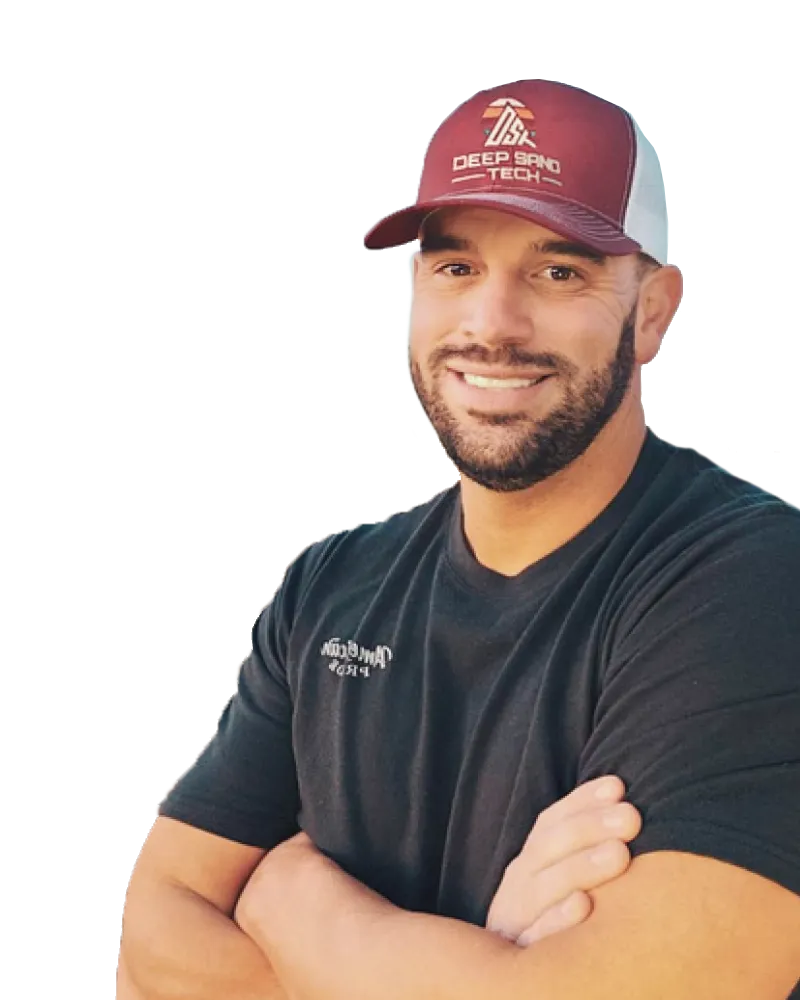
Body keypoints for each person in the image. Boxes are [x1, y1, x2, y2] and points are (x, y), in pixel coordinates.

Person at [127, 80, 800, 998]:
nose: (491, 326)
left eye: (559, 270)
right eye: (455, 268)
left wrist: (293, 901)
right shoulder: (332, 584)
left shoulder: (749, 580)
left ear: (652, 311)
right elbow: (149, 947)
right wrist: (483, 969)